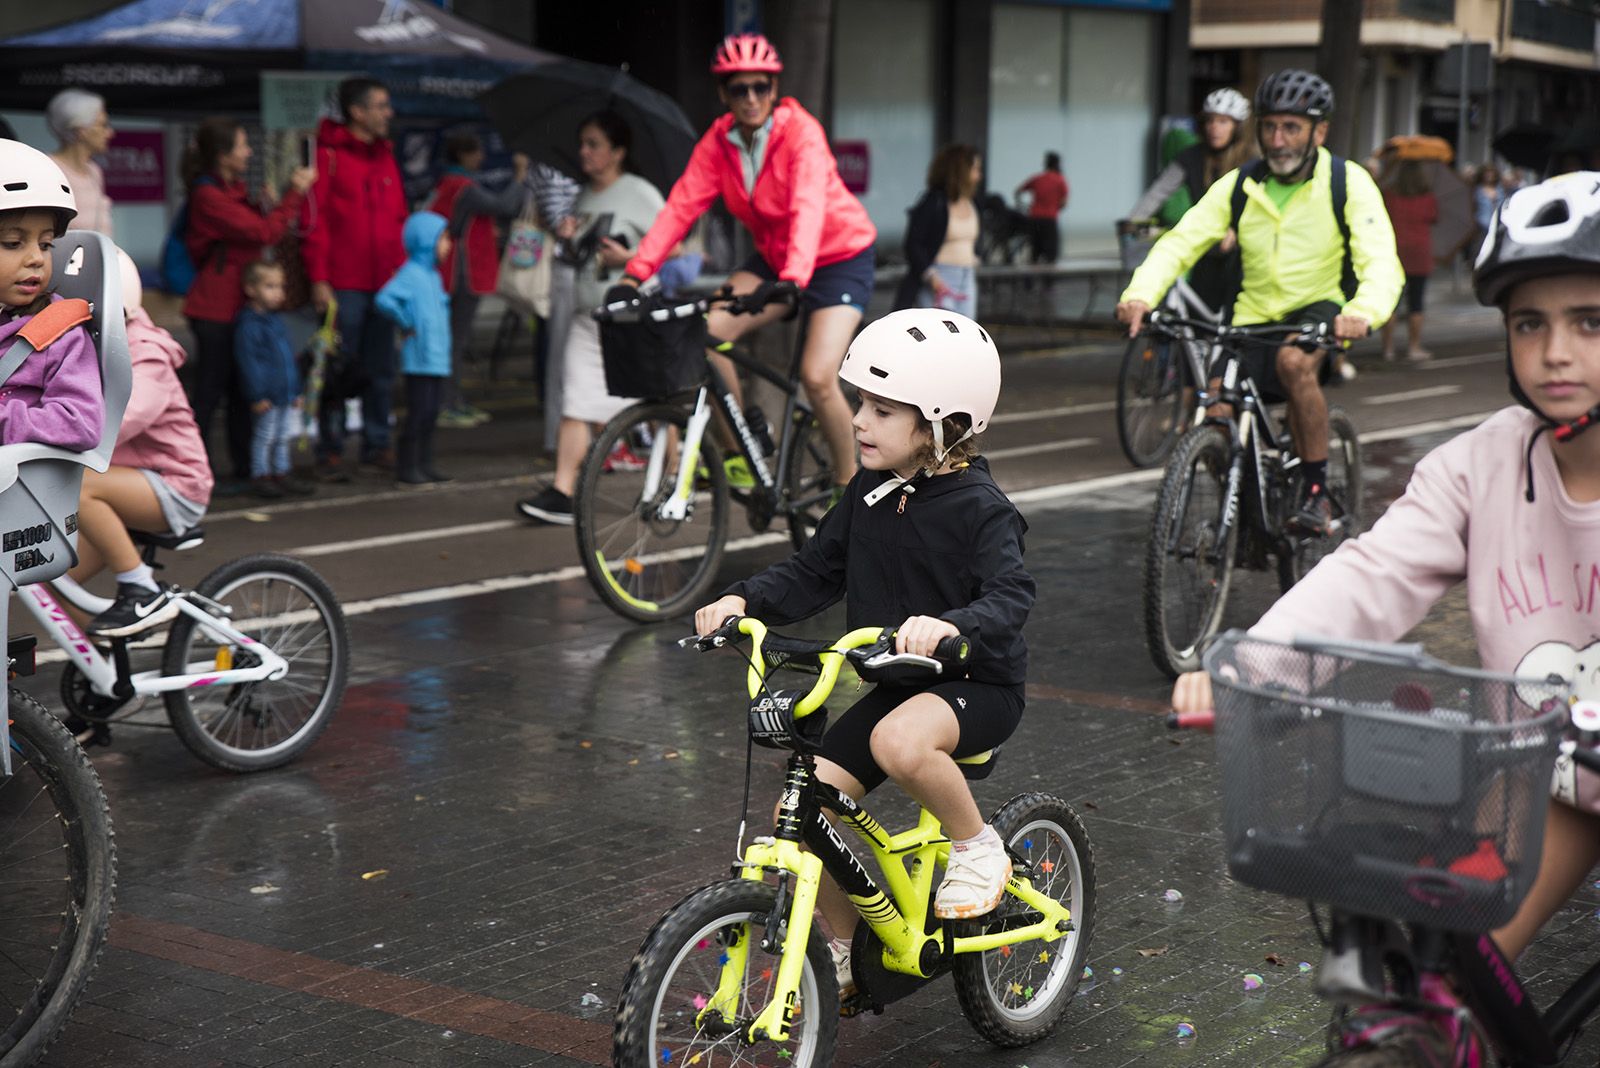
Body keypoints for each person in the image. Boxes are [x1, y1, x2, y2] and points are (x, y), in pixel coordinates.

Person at [1170, 169, 1600, 973]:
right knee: (1447, 980)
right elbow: (1370, 574)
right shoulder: (1481, 465)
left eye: (1591, 322)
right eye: (1530, 323)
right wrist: (1253, 668)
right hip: (1553, 777)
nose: (1556, 353)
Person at [692, 308, 1031, 995]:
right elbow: (815, 571)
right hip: (895, 681)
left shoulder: (982, 508)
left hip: (977, 684)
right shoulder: (869, 494)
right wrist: (742, 602)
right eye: (860, 403)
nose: (858, 419)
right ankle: (844, 954)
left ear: (944, 424)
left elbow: (1010, 598)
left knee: (902, 743)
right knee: (810, 804)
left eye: (882, 409)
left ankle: (978, 848)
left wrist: (950, 624)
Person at [1117, 69, 1404, 536]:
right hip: (1250, 317)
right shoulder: (1240, 184)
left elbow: (1380, 259)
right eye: (1269, 126)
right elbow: (1180, 241)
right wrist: (1140, 295)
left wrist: (1362, 312)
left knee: (1294, 364)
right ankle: (1245, 512)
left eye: (1291, 127)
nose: (1278, 139)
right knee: (1215, 413)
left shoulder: (1346, 182)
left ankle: (1313, 492)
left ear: (1319, 132)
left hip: (1319, 309)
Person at [617, 33, 877, 498]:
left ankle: (848, 489)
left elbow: (808, 207)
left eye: (761, 87)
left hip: (838, 257)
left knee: (819, 377)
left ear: (774, 90)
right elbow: (681, 207)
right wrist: (635, 272)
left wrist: (796, 278)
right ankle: (742, 450)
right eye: (740, 89)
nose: (751, 98)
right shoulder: (719, 142)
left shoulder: (801, 133)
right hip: (777, 259)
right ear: (724, 94)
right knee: (704, 334)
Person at [518, 112, 665, 524]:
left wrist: (630, 259)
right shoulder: (584, 196)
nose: (584, 151)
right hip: (589, 315)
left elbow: (675, 248)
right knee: (575, 401)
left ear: (617, 152)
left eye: (594, 143)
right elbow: (580, 256)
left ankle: (669, 479)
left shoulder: (641, 193)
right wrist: (568, 236)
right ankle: (563, 490)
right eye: (583, 142)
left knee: (654, 399)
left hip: (631, 314)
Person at [75, 250, 213, 637]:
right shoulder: (93, 346)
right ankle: (103, 664)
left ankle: (141, 588)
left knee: (82, 484)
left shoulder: (148, 353)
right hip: (122, 486)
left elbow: (121, 420)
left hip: (175, 486)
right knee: (50, 576)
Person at [180, 117, 314, 493]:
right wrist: (292, 195)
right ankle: (197, 473)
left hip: (236, 305)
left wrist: (264, 203)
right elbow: (263, 233)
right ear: (223, 156)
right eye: (242, 146)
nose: (249, 152)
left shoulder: (232, 190)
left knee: (242, 393)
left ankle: (249, 470)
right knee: (210, 393)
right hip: (215, 308)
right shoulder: (208, 195)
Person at [300, 76, 408, 482]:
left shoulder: (385, 156)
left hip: (385, 283)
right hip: (343, 283)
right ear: (358, 112)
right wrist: (319, 279)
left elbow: (397, 219)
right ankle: (330, 449)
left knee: (381, 368)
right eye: (381, 105)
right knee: (335, 369)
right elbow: (316, 224)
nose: (388, 113)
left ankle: (377, 443)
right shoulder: (328, 156)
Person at [0, 140, 104, 456]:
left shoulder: (59, 334)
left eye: (45, 245)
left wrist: (6, 422)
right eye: (14, 243)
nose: (37, 259)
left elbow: (82, 422)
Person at [426, 133, 529, 428]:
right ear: (464, 155)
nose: (481, 158)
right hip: (461, 272)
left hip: (448, 270)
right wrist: (519, 176)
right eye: (477, 152)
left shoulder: (446, 182)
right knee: (455, 340)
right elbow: (505, 206)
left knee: (452, 339)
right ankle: (447, 403)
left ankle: (451, 398)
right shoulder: (464, 187)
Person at [1125, 88, 1256, 312]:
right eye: (1210, 121)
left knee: (1233, 317)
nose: (1214, 128)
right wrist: (1134, 221)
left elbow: (1258, 203)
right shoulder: (1193, 156)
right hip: (1205, 247)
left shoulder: (1252, 162)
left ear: (1238, 127)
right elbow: (1159, 191)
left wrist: (1237, 230)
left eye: (1223, 121)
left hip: (1242, 254)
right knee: (1195, 316)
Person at [375, 211, 453, 488]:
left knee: (431, 413)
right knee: (419, 412)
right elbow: (384, 299)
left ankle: (424, 462)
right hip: (420, 358)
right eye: (443, 238)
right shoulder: (412, 274)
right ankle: (407, 466)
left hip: (437, 358)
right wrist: (406, 322)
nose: (448, 245)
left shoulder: (432, 276)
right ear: (426, 240)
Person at [234, 262, 312, 499]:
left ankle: (281, 471)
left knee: (282, 435)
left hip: (284, 394)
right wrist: (257, 395)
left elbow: (288, 360)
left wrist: (296, 390)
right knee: (265, 436)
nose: (278, 292)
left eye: (280, 286)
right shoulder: (249, 326)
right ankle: (261, 474)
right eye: (270, 286)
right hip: (267, 396)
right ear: (251, 289)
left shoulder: (277, 321)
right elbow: (250, 364)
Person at [894, 144, 982, 317]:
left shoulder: (972, 202)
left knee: (966, 333)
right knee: (939, 332)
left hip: (967, 275)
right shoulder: (934, 202)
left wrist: (976, 257)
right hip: (939, 276)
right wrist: (931, 276)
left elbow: (976, 239)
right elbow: (913, 243)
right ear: (961, 172)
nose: (979, 176)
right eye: (975, 169)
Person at [1379, 159, 1439, 362]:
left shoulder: (1389, 195)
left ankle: (1388, 349)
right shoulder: (1427, 197)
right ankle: (1414, 346)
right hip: (1420, 252)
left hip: (1394, 251)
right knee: (1416, 302)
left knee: (1391, 303)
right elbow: (1433, 217)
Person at [44, 89, 114, 237]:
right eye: (103, 125)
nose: (110, 133)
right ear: (82, 130)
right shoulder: (49, 169)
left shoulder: (94, 171)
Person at [1014, 151, 1068, 264]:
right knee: (1051, 255)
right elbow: (1064, 202)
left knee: (1034, 253)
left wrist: (1024, 206)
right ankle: (1048, 281)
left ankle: (1031, 280)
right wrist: (1055, 207)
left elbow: (1018, 191)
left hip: (1035, 218)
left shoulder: (1038, 178)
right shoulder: (1060, 180)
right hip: (1050, 219)